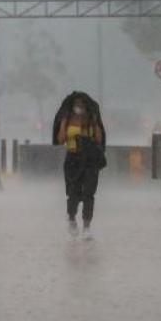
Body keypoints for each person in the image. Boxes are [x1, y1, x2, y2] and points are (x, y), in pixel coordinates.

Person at [53, 92, 106, 238]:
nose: (79, 108)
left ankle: (87, 226)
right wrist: (63, 123)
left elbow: (99, 139)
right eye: (77, 105)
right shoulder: (68, 119)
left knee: (89, 193)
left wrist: (95, 124)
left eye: (82, 105)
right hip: (72, 159)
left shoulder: (91, 120)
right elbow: (60, 139)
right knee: (73, 193)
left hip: (89, 160)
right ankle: (71, 219)